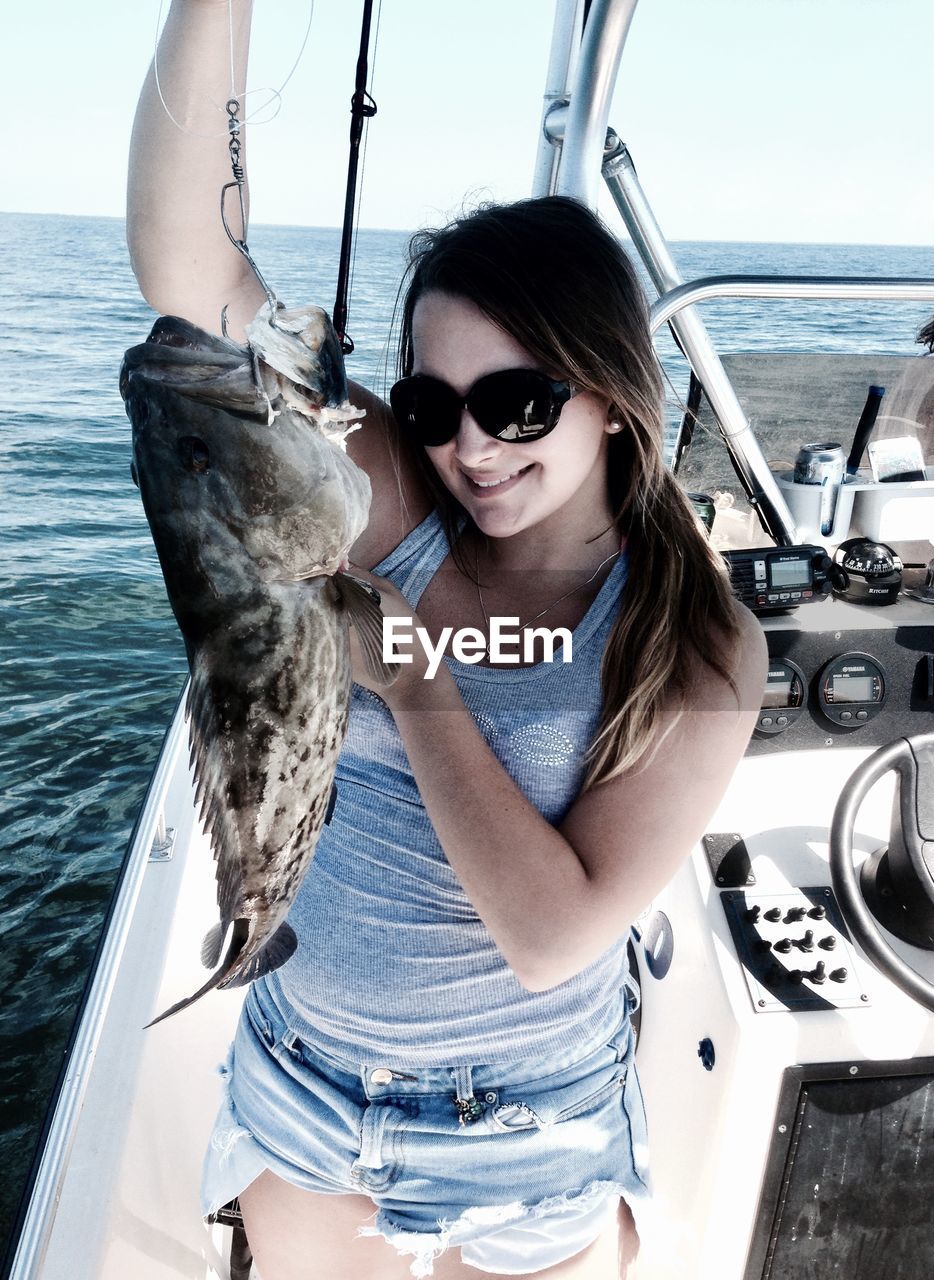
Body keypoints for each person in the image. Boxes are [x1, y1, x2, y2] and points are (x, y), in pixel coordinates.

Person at [128, 3, 766, 1276]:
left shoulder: (694, 639)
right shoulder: (399, 503)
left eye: (518, 400)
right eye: (431, 403)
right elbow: (191, 277)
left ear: (614, 395)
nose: (470, 447)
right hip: (306, 1081)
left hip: (526, 1127)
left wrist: (407, 661)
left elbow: (552, 934)